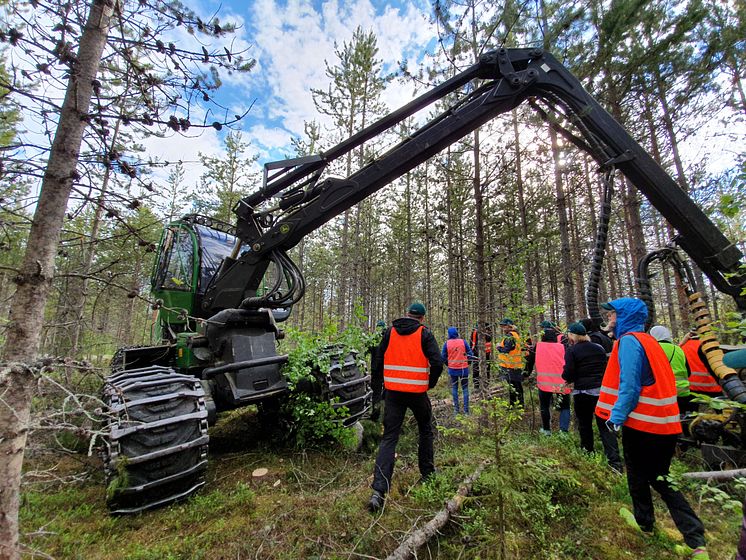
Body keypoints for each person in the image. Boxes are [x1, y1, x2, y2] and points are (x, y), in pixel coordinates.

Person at [595, 298, 708, 559]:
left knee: (643, 475)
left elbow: (631, 385)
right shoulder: (650, 342)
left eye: (613, 315)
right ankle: (670, 531)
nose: (609, 320)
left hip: (645, 424)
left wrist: (616, 417)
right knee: (659, 477)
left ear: (623, 317)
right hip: (664, 425)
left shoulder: (630, 342)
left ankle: (692, 539)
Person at [368, 302, 443, 512]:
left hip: (393, 394)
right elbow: (437, 362)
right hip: (418, 393)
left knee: (389, 438)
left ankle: (378, 492)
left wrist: (379, 389)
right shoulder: (424, 334)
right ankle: (427, 475)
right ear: (422, 318)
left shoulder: (390, 332)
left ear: (407, 315)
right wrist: (431, 382)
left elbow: (378, 362)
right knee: (425, 430)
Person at [562, 321, 622, 471]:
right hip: (601, 392)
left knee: (585, 424)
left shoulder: (572, 351)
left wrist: (567, 378)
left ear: (572, 335)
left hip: (582, 392)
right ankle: (615, 462)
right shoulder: (599, 348)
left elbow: (568, 373)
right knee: (604, 425)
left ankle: (588, 453)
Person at [534, 320, 571, 435]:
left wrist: (525, 374)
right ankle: (563, 432)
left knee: (544, 406)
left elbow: (530, 361)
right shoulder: (564, 344)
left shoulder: (538, 346)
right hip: (562, 381)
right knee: (565, 406)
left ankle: (546, 430)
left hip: (544, 382)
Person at [649, 325, 693, 416]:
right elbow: (688, 372)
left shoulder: (653, 349)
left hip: (665, 394)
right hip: (684, 394)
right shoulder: (679, 349)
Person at [442, 327, 475, 415]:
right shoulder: (463, 342)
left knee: (455, 388)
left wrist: (448, 364)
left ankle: (456, 410)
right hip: (463, 369)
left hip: (453, 369)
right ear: (457, 333)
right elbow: (470, 354)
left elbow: (443, 357)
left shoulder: (447, 344)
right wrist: (468, 363)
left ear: (449, 334)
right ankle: (466, 411)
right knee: (465, 389)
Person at [680, 331, 722, 398]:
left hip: (692, 388)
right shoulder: (709, 346)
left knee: (692, 408)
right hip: (713, 387)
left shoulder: (683, 347)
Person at [496, 318, 524, 407]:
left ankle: (516, 406)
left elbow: (506, 350)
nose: (503, 328)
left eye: (504, 326)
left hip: (510, 366)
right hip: (515, 365)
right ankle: (516, 405)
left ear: (510, 326)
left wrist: (498, 347)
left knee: (514, 387)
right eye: (502, 326)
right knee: (516, 387)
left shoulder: (510, 336)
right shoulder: (515, 335)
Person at [368, 320, 388, 422]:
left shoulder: (373, 338)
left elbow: (368, 350)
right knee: (386, 392)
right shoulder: (388, 338)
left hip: (376, 369)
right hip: (386, 369)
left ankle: (376, 415)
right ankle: (385, 415)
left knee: (376, 393)